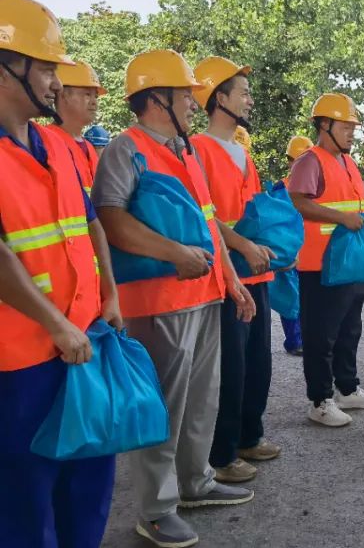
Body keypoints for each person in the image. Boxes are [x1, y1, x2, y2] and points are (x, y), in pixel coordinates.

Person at [94, 49, 256, 548]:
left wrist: (231, 277)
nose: (193, 101)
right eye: (186, 93)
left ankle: (195, 481)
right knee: (164, 406)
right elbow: (111, 219)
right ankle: (156, 509)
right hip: (158, 301)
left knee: (202, 399)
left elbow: (209, 223)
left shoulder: (185, 152)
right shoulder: (127, 148)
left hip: (203, 294)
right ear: (158, 97)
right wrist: (174, 253)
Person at [0, 0, 121, 548]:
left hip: (82, 339)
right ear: (7, 68)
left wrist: (110, 297)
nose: (55, 81)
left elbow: (90, 224)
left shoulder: (56, 144)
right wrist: (54, 323)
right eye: (45, 67)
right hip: (21, 361)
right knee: (27, 498)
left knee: (89, 483)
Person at [191, 56, 280, 485]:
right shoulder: (197, 149)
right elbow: (205, 217)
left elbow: (256, 211)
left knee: (258, 363)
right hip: (226, 275)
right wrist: (244, 244)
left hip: (256, 272)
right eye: (241, 92)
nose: (249, 99)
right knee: (231, 367)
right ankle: (221, 453)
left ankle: (249, 435)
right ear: (217, 98)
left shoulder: (244, 153)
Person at [288, 93, 364, 428]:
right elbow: (297, 201)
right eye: (345, 126)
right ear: (324, 125)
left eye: (353, 127)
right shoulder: (310, 161)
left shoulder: (347, 162)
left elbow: (363, 200)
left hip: (349, 264)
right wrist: (342, 218)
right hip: (320, 265)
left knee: (349, 330)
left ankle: (347, 388)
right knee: (321, 335)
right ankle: (319, 400)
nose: (351, 132)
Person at [41, 59, 106, 192]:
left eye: (96, 97)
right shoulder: (42, 141)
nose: (94, 102)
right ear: (63, 95)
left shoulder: (89, 148)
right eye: (87, 94)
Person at [278, 135, 313, 355]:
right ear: (290, 161)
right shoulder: (281, 188)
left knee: (308, 299)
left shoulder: (314, 187)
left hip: (310, 251)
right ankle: (294, 340)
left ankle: (305, 337)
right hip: (292, 250)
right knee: (291, 297)